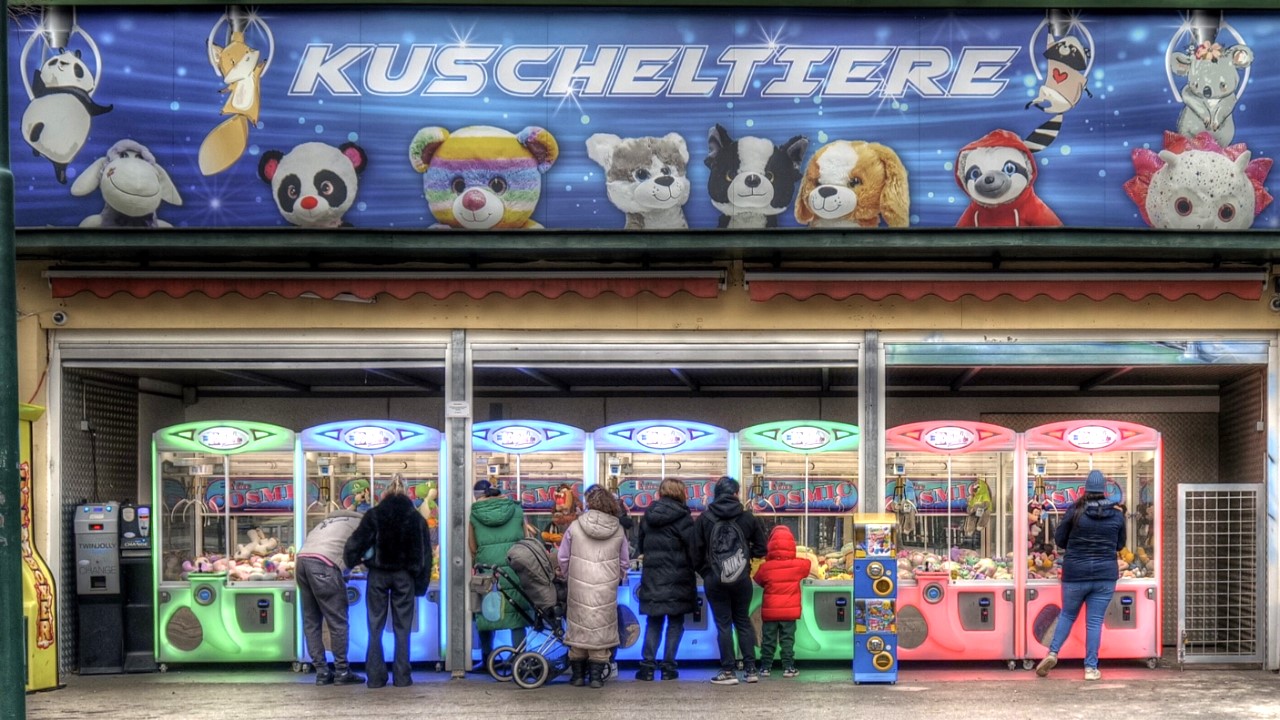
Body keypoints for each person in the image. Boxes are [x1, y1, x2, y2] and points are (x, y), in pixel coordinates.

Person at [1035, 469, 1126, 681]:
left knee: (1067, 614)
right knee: (1094, 622)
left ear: (1086, 488)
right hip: (1104, 575)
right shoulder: (1117, 515)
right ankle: (1091, 669)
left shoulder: (1075, 511)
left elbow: (1059, 540)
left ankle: (1052, 653)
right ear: (1104, 490)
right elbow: (1120, 544)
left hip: (1075, 573)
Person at [343, 479, 432, 689]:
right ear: (406, 496)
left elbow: (355, 543)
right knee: (403, 628)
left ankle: (375, 678)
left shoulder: (374, 515)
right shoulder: (417, 519)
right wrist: (420, 585)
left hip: (378, 574)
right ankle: (402, 677)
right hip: (405, 576)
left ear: (385, 495)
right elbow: (425, 555)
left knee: (375, 626)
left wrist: (353, 562)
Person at [695, 476, 767, 685]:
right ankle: (751, 669)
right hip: (741, 579)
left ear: (716, 494)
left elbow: (695, 553)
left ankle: (728, 671)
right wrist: (743, 561)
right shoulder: (748, 518)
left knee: (723, 625)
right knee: (742, 621)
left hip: (715, 581)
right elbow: (762, 548)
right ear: (735, 494)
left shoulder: (705, 519)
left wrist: (708, 571)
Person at [558, 485, 630, 689]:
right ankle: (596, 677)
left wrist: (567, 575)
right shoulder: (618, 529)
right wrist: (617, 577)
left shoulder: (575, 526)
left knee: (579, 626)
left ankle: (578, 676)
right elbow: (625, 561)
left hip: (578, 583)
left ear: (589, 504)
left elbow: (563, 557)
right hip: (605, 587)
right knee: (601, 627)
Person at [635, 478, 700, 681]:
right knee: (675, 623)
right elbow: (693, 548)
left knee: (654, 622)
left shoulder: (648, 516)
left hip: (653, 578)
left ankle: (647, 667)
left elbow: (641, 547)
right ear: (681, 493)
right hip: (678, 578)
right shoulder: (684, 518)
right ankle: (668, 667)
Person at [296, 508, 366, 686]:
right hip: (324, 566)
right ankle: (342, 671)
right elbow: (358, 555)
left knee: (311, 621)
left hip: (301, 562)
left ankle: (321, 672)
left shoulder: (326, 522)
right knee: (337, 621)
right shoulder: (360, 524)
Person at [468, 481, 529, 671]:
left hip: (488, 571)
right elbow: (526, 540)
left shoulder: (475, 513)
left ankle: (488, 659)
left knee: (487, 612)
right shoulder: (516, 510)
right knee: (517, 614)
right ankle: (521, 660)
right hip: (514, 569)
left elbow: (472, 546)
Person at [753, 524, 812, 678]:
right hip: (789, 612)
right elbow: (808, 566)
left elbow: (757, 580)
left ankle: (765, 667)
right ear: (792, 545)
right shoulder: (798, 565)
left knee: (768, 640)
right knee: (787, 640)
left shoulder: (766, 568)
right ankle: (788, 667)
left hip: (770, 611)